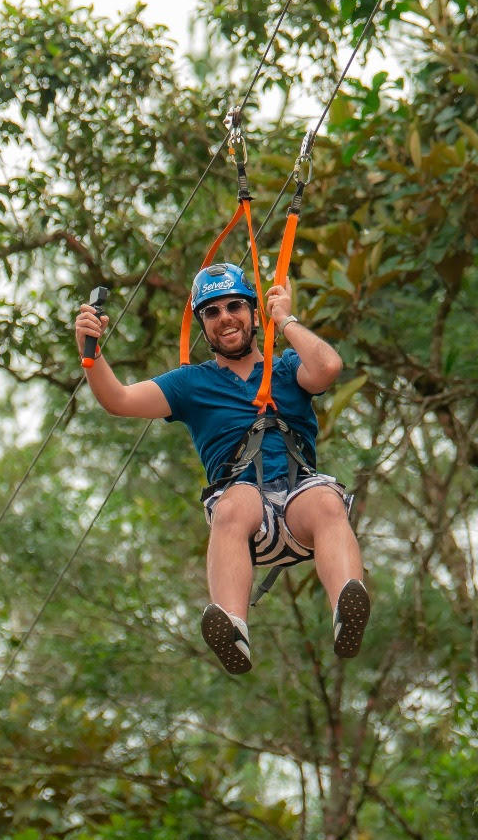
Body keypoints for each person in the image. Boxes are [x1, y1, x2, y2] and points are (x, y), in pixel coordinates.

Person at [72, 262, 369, 674]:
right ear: (202, 324)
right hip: (249, 520)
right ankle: (232, 627)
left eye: (234, 306)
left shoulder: (284, 367)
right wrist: (92, 351)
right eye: (212, 311)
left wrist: (285, 320)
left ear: (252, 312)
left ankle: (347, 608)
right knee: (236, 501)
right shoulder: (190, 384)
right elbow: (118, 400)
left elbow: (328, 368)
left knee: (325, 500)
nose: (225, 317)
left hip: (300, 501)